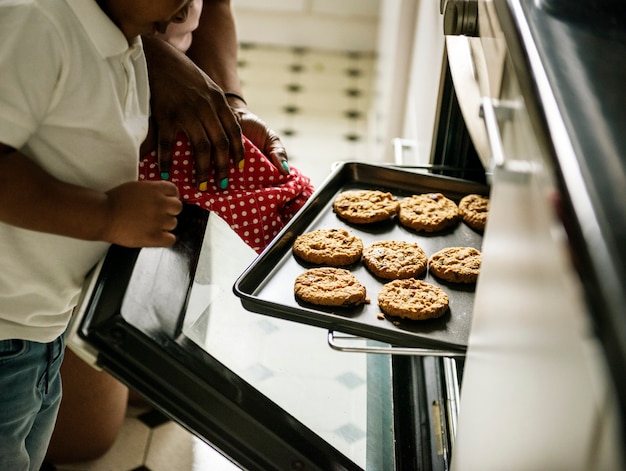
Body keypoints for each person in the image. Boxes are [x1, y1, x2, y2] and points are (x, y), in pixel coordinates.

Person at [45, 0, 314, 465]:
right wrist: (150, 54)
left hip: (169, 137)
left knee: (151, 390)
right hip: (75, 130)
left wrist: (225, 102)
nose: (186, 10)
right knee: (86, 439)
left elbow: (216, 7)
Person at [0, 0, 194, 469]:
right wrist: (107, 214)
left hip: (43, 325)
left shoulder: (124, 39)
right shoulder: (37, 25)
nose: (186, 12)